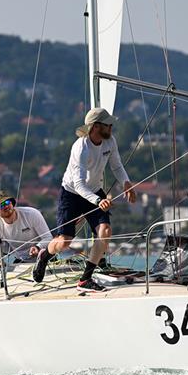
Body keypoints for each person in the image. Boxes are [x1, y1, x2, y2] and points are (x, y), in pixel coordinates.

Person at [33, 107, 136, 291]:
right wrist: (97, 201)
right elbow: (79, 185)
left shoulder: (110, 141)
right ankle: (44, 255)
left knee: (104, 231)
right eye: (108, 125)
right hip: (72, 193)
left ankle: (85, 279)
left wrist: (126, 183)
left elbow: (117, 166)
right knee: (64, 242)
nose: (111, 128)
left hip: (95, 191)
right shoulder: (81, 147)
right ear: (96, 127)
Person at [0, 190, 52, 265]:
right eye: (1, 205)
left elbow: (48, 237)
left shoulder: (32, 214)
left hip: (45, 259)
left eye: (7, 202)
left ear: (12, 203)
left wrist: (38, 247)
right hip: (21, 262)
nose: (6, 206)